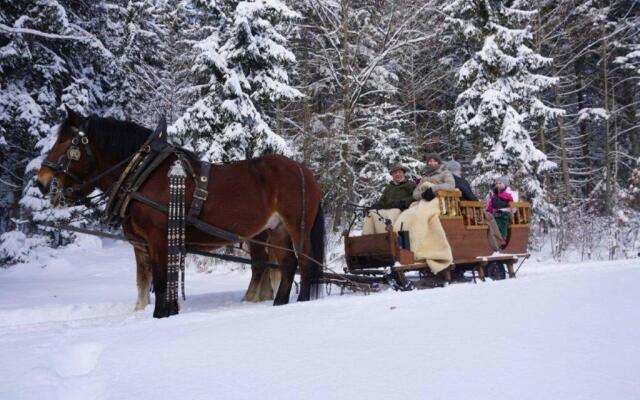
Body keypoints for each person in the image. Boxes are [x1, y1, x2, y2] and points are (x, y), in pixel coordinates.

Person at [362, 163, 416, 235]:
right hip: (387, 210)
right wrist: (377, 205)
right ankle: (366, 238)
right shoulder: (389, 187)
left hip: (401, 211)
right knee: (371, 214)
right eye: (395, 173)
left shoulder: (410, 184)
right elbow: (382, 200)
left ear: (403, 174)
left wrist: (403, 202)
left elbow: (414, 197)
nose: (397, 174)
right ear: (392, 175)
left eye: (399, 172)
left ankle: (389, 239)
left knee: (392, 214)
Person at [487, 176, 514, 247]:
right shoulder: (494, 196)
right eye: (497, 183)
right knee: (493, 222)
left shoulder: (507, 195)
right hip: (495, 213)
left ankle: (503, 239)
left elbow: (512, 203)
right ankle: (494, 239)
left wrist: (510, 208)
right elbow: (490, 205)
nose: (498, 185)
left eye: (500, 183)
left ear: (505, 184)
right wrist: (489, 211)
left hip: (505, 213)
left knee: (502, 223)